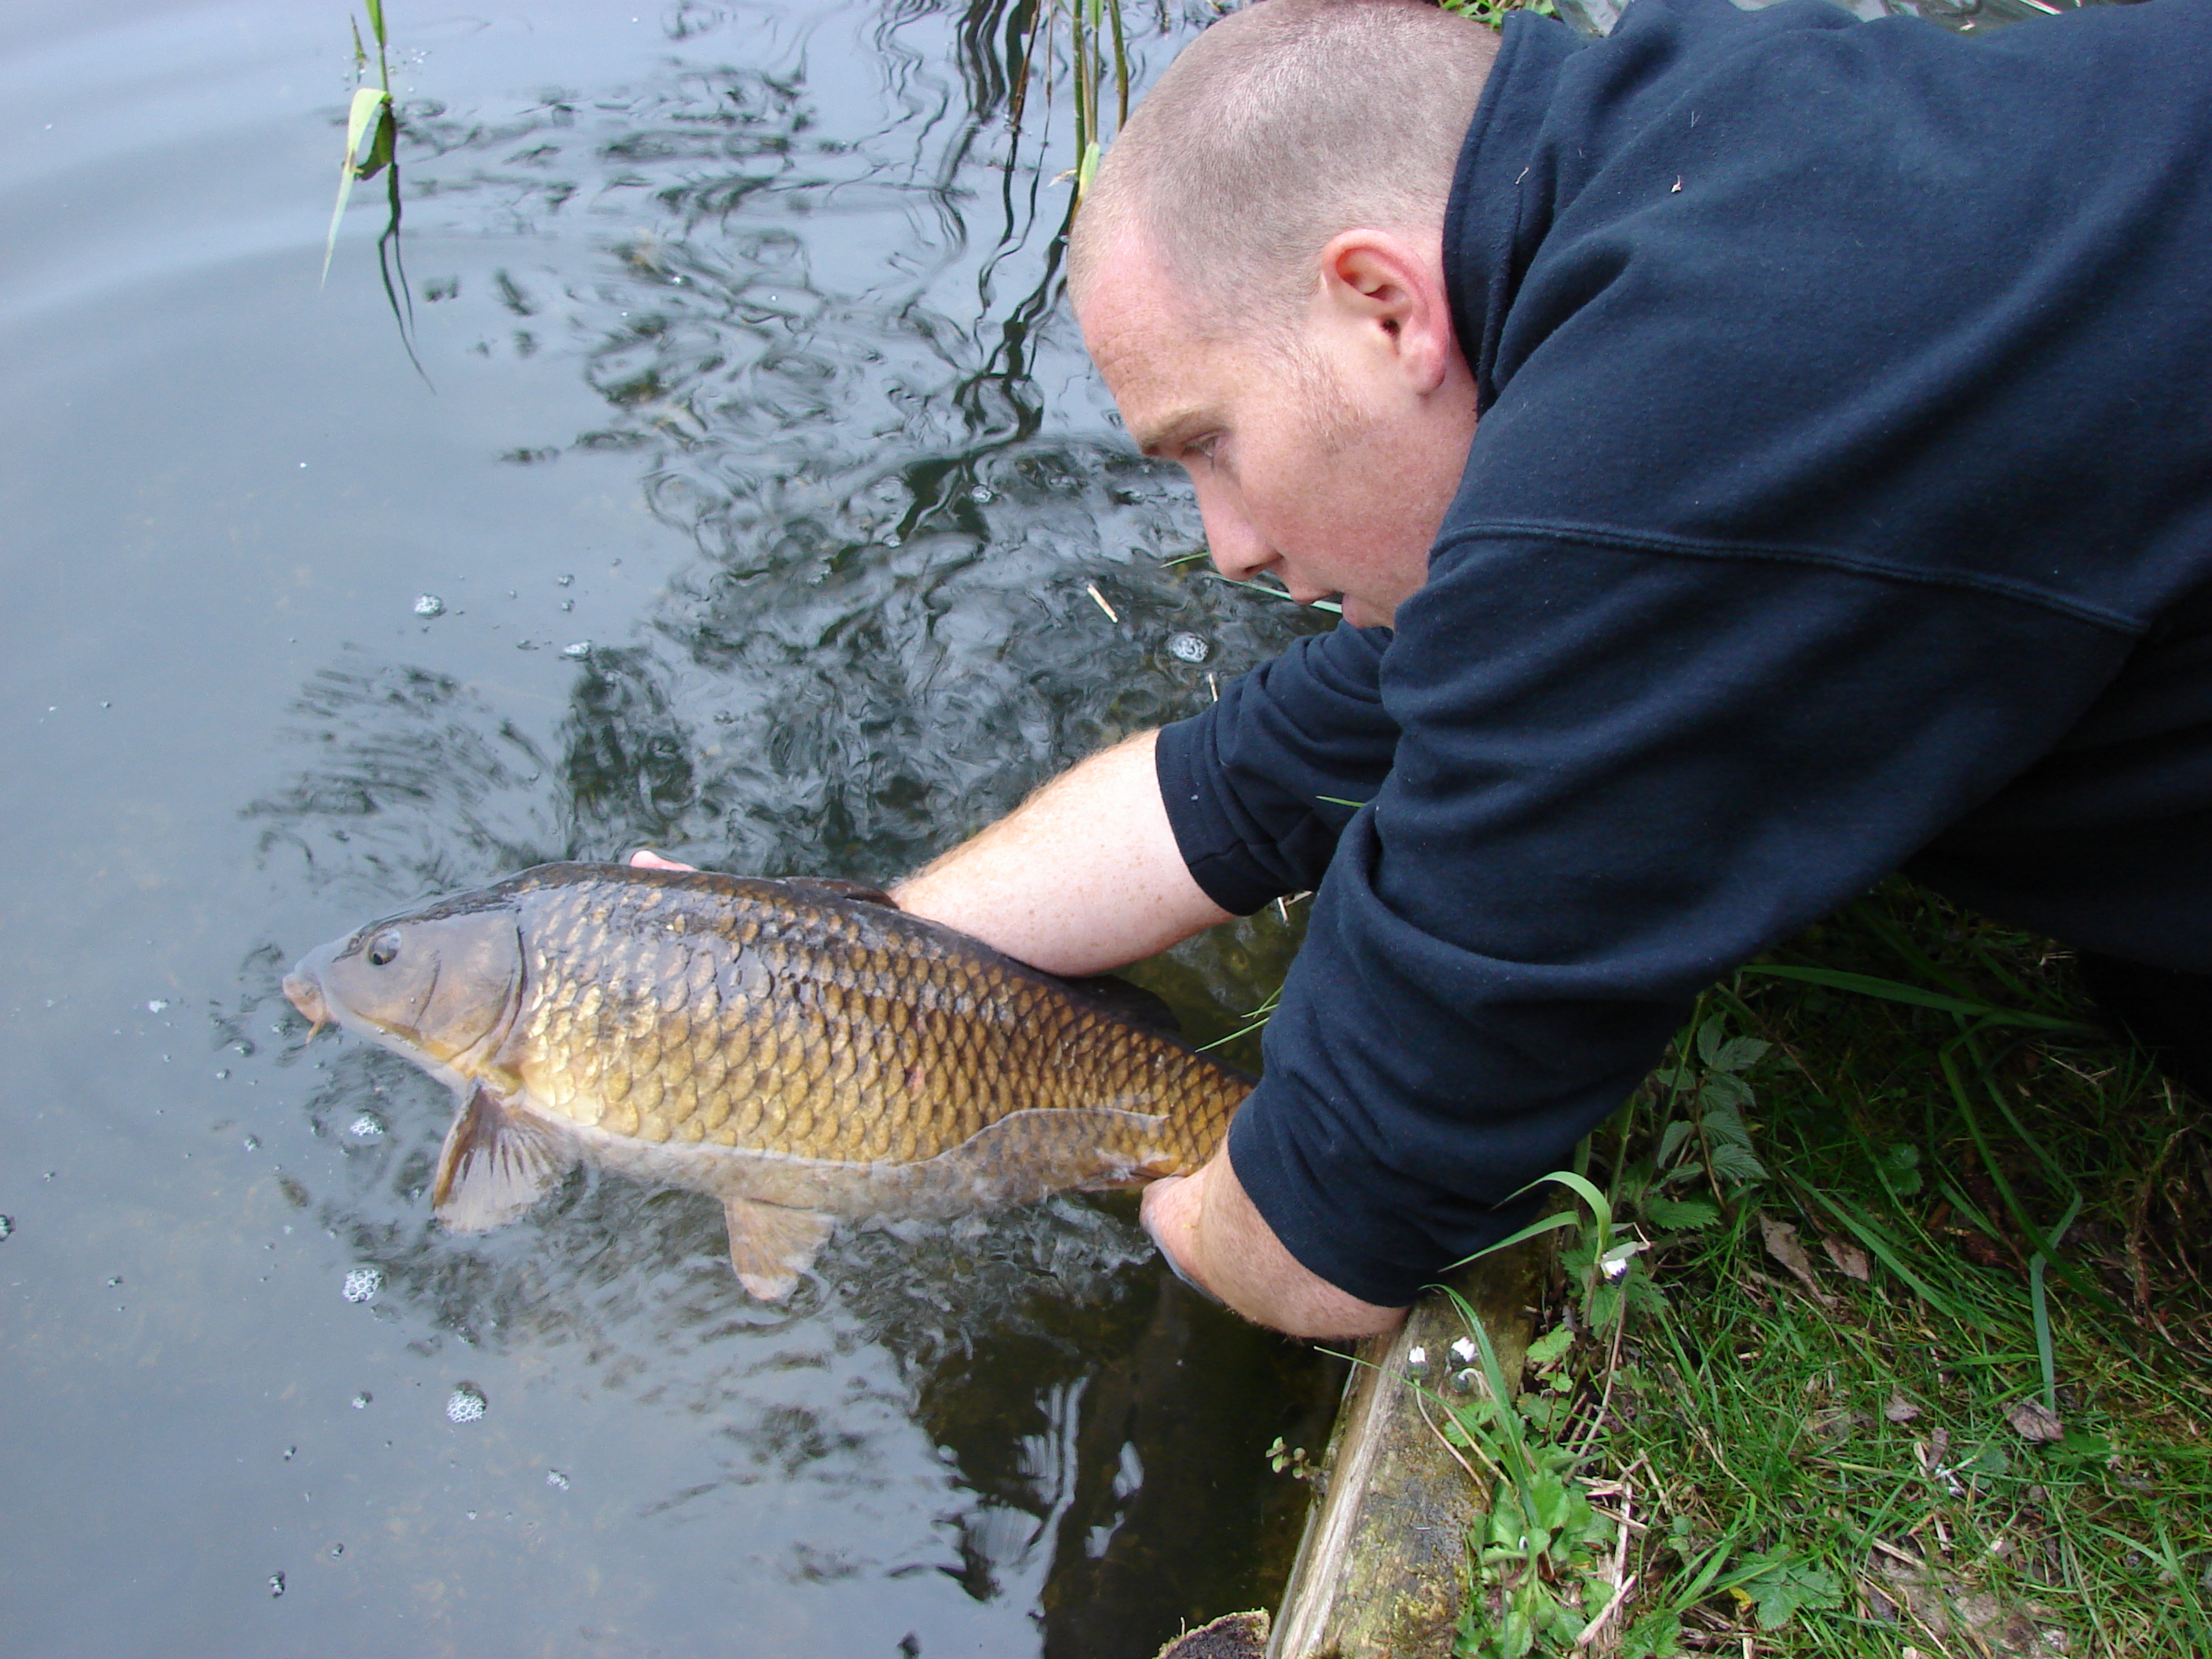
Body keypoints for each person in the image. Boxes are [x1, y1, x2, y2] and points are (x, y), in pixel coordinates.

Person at [661, 0, 2212, 1338]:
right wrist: (811, 981)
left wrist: (1153, 1177)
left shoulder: (1648, 485)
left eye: (1210, 447)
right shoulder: (1698, 150)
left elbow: (1323, 1245)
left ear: (1383, 305)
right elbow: (1245, 788)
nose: (1226, 548)